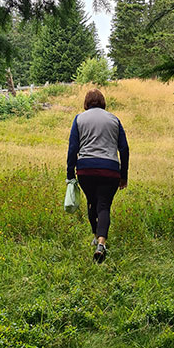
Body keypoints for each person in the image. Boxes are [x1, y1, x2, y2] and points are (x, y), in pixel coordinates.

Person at [67, 89, 129, 262]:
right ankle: (101, 242)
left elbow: (73, 148)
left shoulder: (79, 119)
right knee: (104, 206)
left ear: (86, 103)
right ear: (103, 102)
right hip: (110, 169)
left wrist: (70, 173)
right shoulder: (114, 120)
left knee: (92, 202)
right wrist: (123, 175)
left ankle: (96, 236)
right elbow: (124, 149)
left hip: (86, 169)